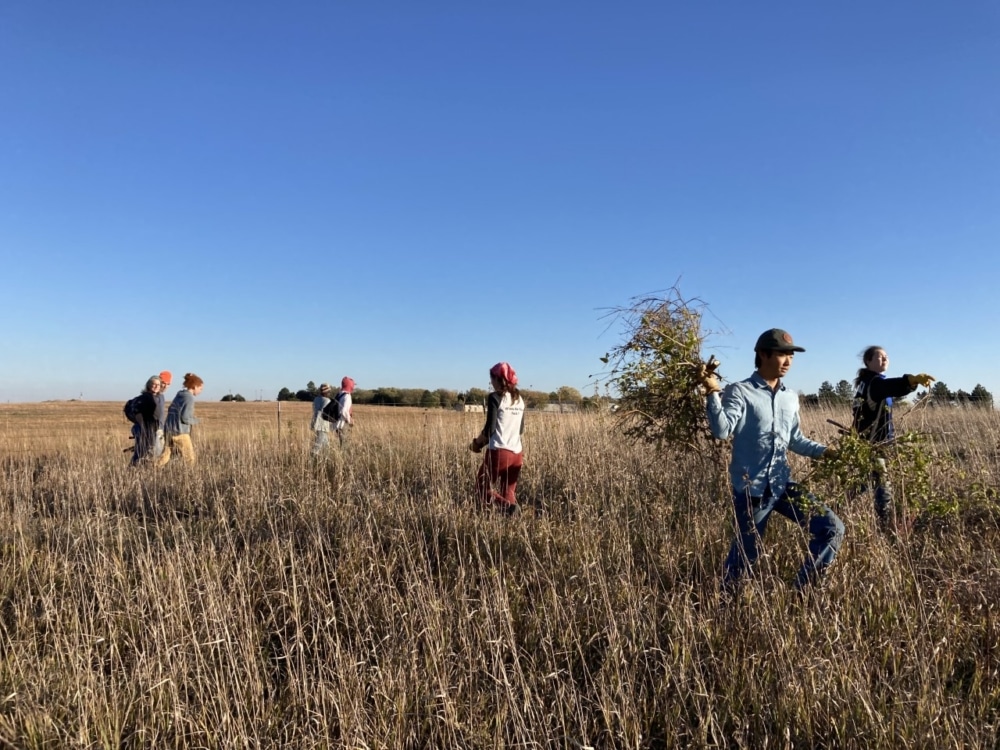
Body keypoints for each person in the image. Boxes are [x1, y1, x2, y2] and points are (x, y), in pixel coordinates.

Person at [700, 329, 844, 591]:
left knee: (831, 527)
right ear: (763, 355)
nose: (788, 361)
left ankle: (804, 591)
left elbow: (795, 440)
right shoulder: (741, 391)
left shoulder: (790, 397)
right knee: (747, 556)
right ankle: (726, 603)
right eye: (782, 354)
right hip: (751, 490)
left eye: (791, 355)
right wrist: (712, 392)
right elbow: (722, 431)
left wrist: (826, 452)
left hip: (782, 484)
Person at [852, 346, 935, 529]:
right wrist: (910, 380)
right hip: (874, 443)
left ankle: (837, 505)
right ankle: (884, 521)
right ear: (868, 361)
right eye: (880, 357)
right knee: (883, 482)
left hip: (869, 442)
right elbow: (890, 386)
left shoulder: (866, 383)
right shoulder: (875, 383)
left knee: (866, 479)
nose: (885, 359)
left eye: (886, 356)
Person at [470, 362, 526, 516]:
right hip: (517, 454)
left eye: (492, 379)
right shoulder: (519, 399)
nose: (491, 383)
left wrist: (477, 444)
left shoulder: (495, 397)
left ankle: (508, 508)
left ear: (498, 379)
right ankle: (512, 519)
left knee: (481, 489)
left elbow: (490, 429)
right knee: (508, 492)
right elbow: (521, 429)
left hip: (499, 453)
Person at [156, 373, 203, 467]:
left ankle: (153, 468)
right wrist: (197, 420)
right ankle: (190, 474)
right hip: (180, 432)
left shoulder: (179, 395)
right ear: (194, 386)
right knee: (190, 458)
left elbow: (170, 409)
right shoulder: (189, 398)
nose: (201, 391)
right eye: (200, 388)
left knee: (165, 455)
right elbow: (185, 418)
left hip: (168, 431)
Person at [129, 375, 162, 466]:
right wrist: (143, 428)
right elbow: (138, 413)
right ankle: (133, 470)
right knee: (141, 453)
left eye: (158, 384)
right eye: (154, 384)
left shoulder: (156, 398)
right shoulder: (146, 397)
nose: (156, 386)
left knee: (146, 452)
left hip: (151, 429)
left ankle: (138, 469)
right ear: (148, 385)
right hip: (144, 430)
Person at [310, 383, 333, 456]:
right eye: (329, 391)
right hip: (322, 423)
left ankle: (327, 458)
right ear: (327, 391)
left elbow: (314, 409)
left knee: (326, 444)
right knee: (318, 443)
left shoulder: (316, 399)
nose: (330, 393)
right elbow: (325, 412)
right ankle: (312, 457)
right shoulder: (327, 400)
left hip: (315, 421)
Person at [154, 370, 172, 458]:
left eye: (168, 384)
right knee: (153, 456)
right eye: (163, 383)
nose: (165, 386)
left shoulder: (161, 396)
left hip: (159, 431)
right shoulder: (153, 395)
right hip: (154, 432)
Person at [334, 377, 355, 446]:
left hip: (337, 423)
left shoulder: (339, 394)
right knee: (345, 445)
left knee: (341, 443)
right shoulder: (347, 396)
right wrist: (350, 420)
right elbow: (344, 411)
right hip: (343, 423)